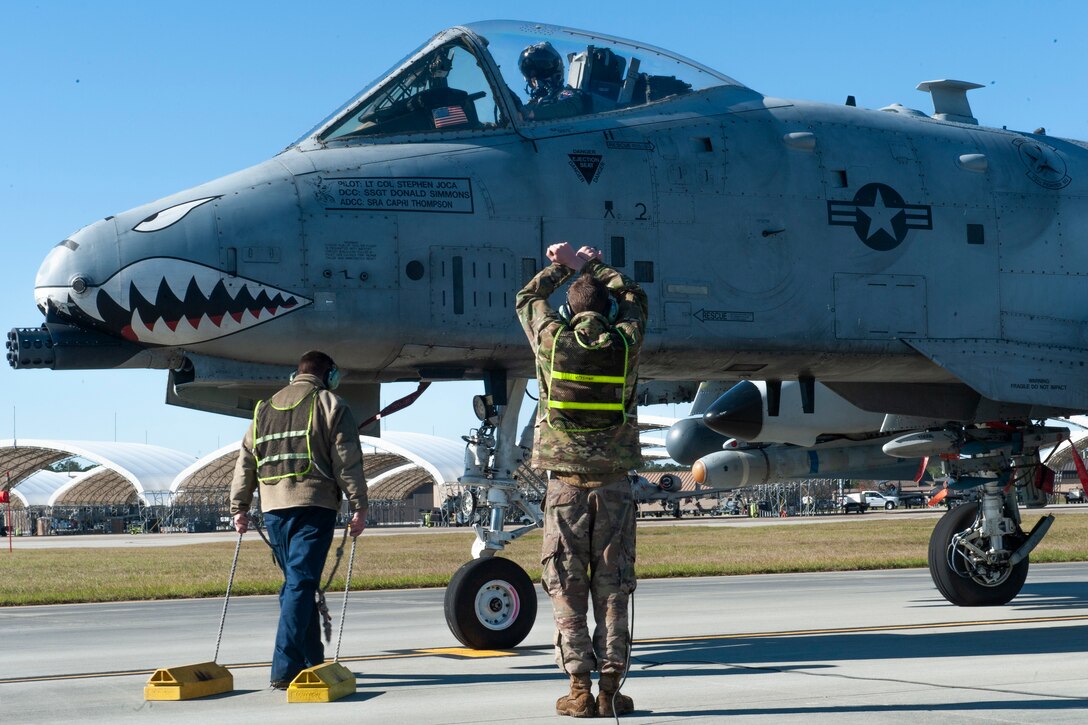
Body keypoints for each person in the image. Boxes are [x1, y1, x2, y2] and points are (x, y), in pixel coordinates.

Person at [516, 242, 648, 718]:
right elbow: (635, 296)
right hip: (614, 483)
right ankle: (612, 689)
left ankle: (579, 691)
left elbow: (526, 301)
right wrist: (592, 265)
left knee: (566, 585)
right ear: (608, 308)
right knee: (612, 585)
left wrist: (559, 266)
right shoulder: (626, 342)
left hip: (566, 485)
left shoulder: (551, 339)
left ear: (570, 308)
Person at [229, 350, 368, 689]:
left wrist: (239, 507)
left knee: (297, 583)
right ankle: (284, 667)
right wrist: (359, 504)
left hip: (274, 511)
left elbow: (246, 461)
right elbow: (346, 460)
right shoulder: (331, 404)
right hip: (313, 506)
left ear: (297, 373)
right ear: (328, 373)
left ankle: (311, 660)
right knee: (301, 584)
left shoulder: (264, 409)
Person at [519, 42, 588, 121]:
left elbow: (573, 104)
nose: (537, 80)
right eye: (532, 77)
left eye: (542, 73)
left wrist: (533, 114)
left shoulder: (563, 93)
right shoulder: (532, 105)